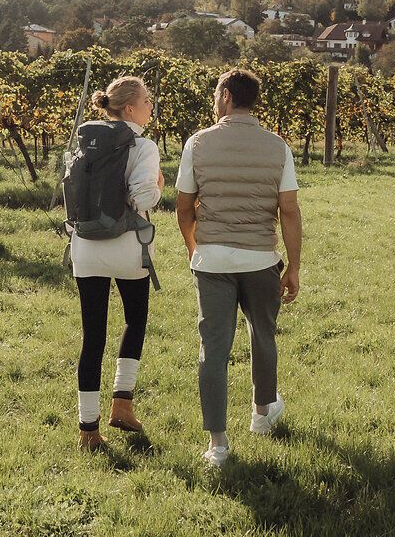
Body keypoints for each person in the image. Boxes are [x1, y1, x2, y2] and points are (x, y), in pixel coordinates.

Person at [176, 66, 302, 467]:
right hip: (261, 258)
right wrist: (294, 266)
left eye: (217, 95)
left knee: (213, 347)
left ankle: (218, 445)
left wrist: (195, 248)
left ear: (227, 96)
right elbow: (289, 210)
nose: (215, 102)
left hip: (212, 258)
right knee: (263, 334)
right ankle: (262, 413)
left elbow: (184, 207)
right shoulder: (278, 147)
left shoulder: (197, 143)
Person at [69, 75, 164, 450]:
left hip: (86, 247)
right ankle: (122, 403)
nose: (150, 106)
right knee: (134, 319)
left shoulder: (85, 140)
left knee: (93, 336)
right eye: (147, 101)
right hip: (127, 248)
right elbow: (142, 198)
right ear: (129, 108)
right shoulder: (143, 146)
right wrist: (158, 185)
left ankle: (88, 431)